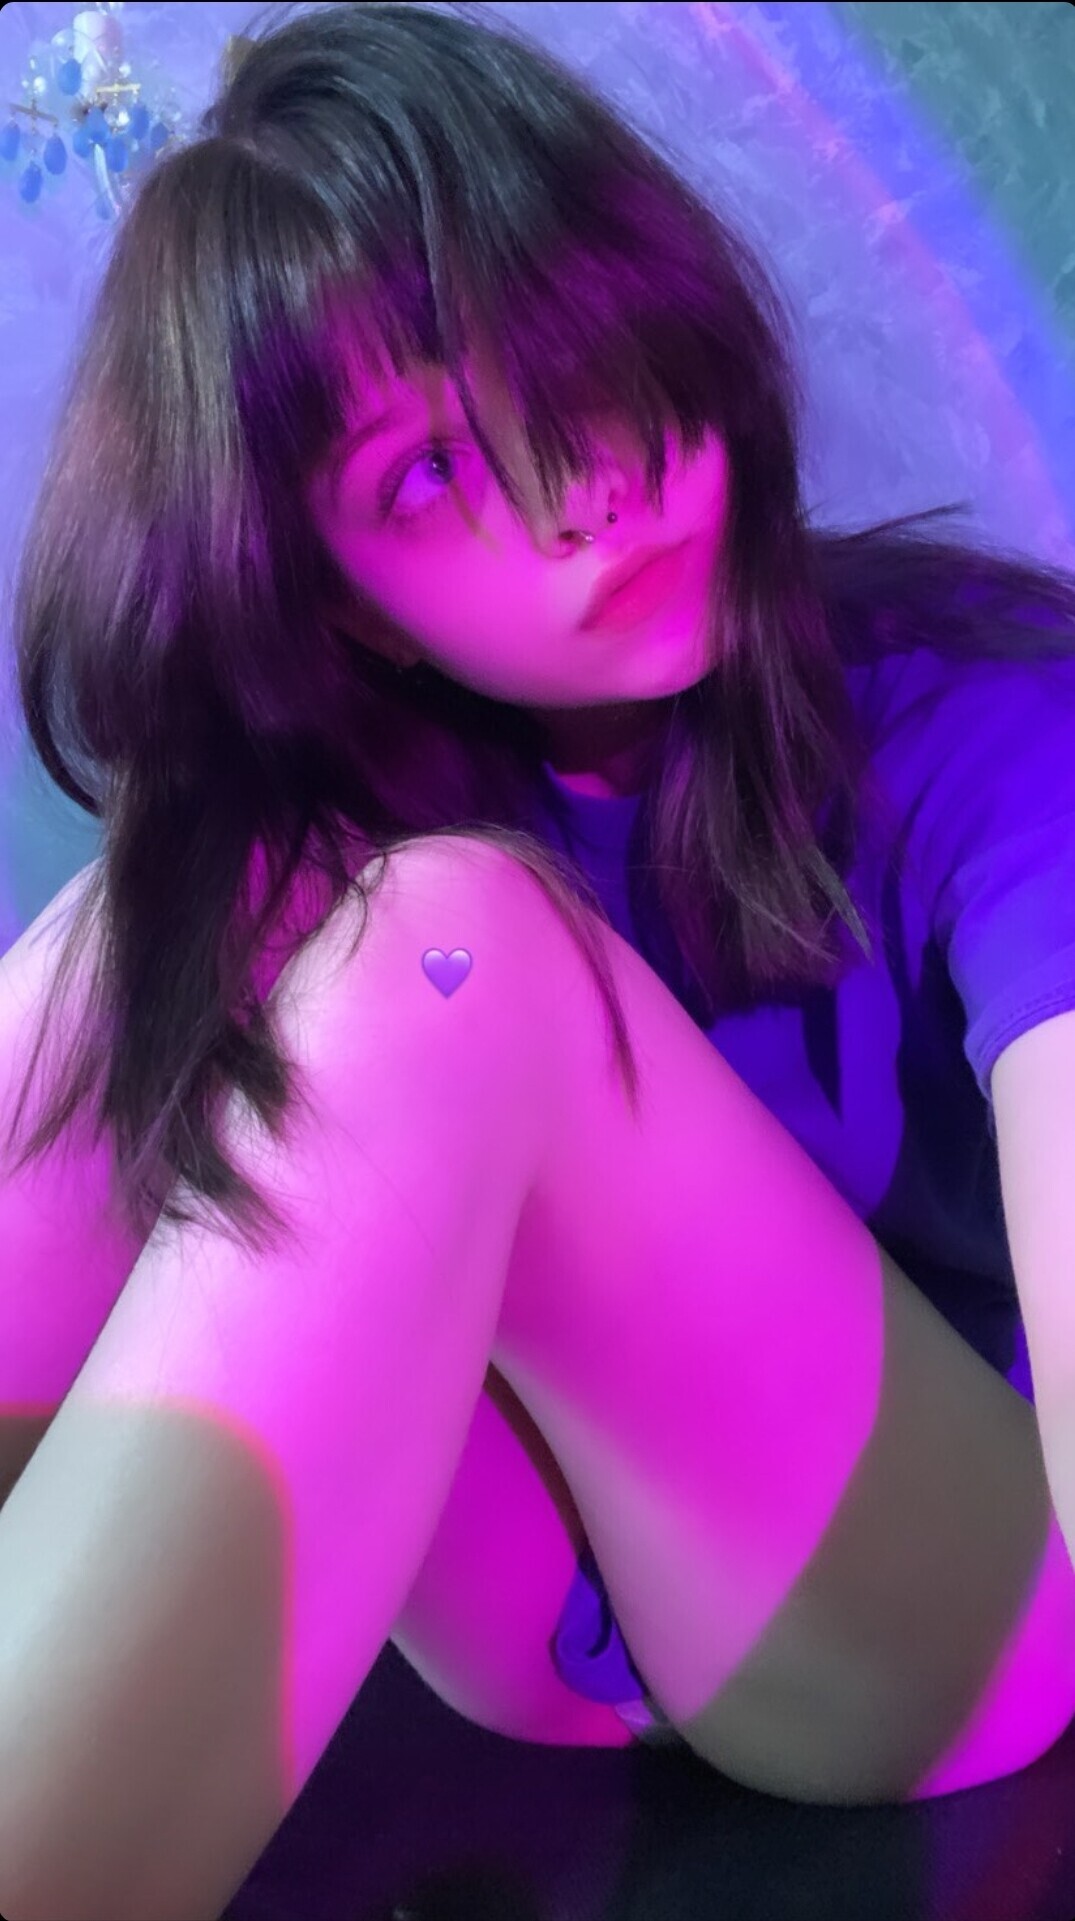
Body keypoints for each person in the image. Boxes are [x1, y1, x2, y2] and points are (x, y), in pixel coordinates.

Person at [2, 3, 1075, 1913]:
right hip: (541, 1611)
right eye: (426, 475)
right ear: (349, 602)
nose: (577, 483)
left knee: (451, 947)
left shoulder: (982, 725)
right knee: (153, 927)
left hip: (933, 1616)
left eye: (566, 349)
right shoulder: (357, 819)